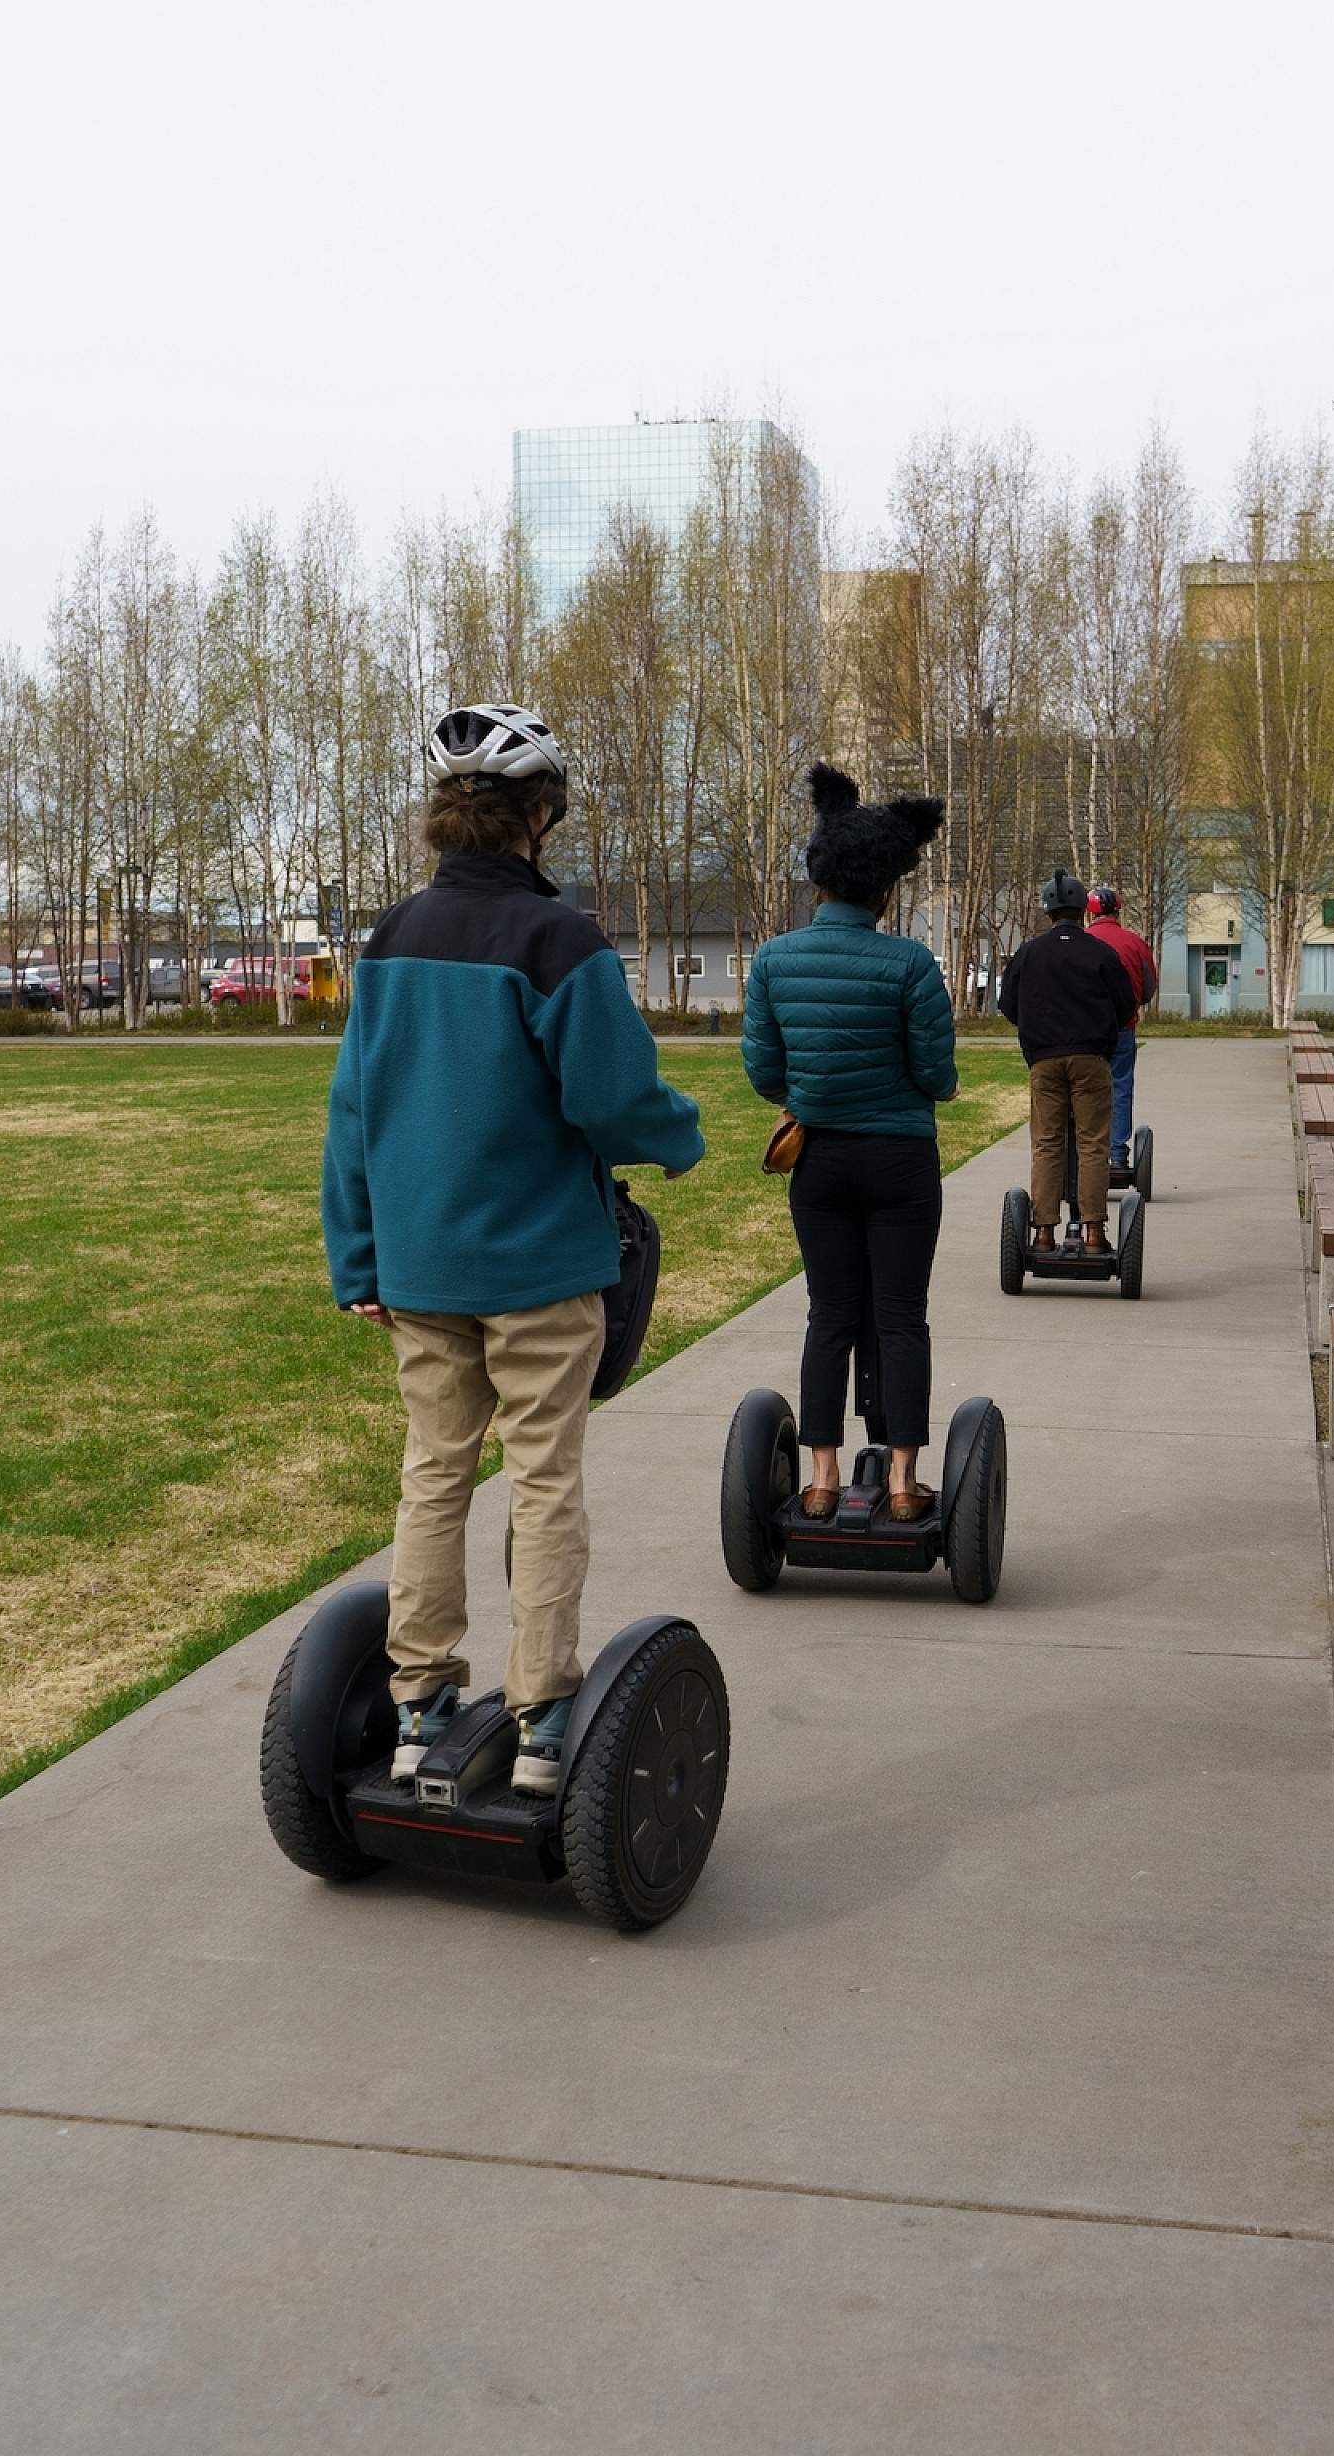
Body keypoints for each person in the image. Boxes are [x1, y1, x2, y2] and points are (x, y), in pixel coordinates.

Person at [321, 702, 705, 1797]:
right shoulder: (559, 940)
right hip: (539, 1268)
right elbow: (614, 1099)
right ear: (539, 817)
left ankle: (419, 1704)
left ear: (444, 818)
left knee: (433, 1478)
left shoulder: (389, 942)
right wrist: (679, 1138)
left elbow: (353, 1114)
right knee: (543, 1482)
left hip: (422, 1271)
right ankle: (543, 1720)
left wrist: (358, 1260)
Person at [742, 764, 955, 1523]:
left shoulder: (772, 960)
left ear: (818, 880)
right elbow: (937, 1075)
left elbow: (764, 1072)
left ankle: (824, 1475)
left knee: (830, 1313)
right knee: (901, 1316)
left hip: (820, 1159)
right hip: (901, 1162)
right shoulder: (911, 964)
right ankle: (901, 1481)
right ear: (886, 890)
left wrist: (807, 1095)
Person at [997, 869, 1137, 1254]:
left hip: (1044, 1060)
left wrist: (1036, 1029)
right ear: (1081, 911)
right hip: (1091, 1058)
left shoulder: (1029, 953)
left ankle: (1042, 1232)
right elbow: (1125, 1005)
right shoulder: (1100, 952)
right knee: (1093, 1144)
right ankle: (1093, 1231)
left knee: (1046, 1143)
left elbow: (1007, 1004)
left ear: (1048, 911)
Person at [1085, 885, 1158, 1165]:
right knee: (1120, 1087)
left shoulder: (1084, 941)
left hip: (1086, 1032)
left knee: (1083, 1089)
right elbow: (1148, 989)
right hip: (1123, 1028)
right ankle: (1116, 1153)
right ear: (1118, 910)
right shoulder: (1134, 942)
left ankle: (1086, 1152)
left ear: (1090, 913)